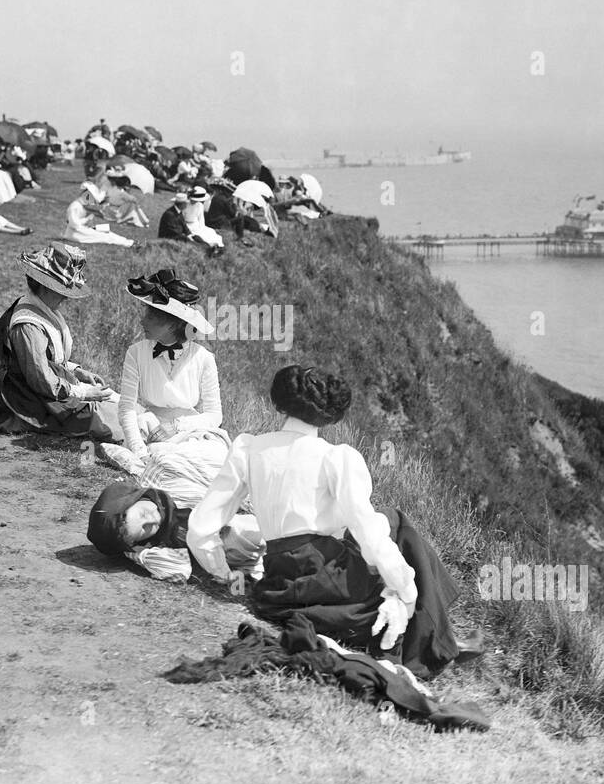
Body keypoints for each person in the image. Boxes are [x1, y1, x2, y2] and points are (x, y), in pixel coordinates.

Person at [185, 364, 477, 678]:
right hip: (324, 574)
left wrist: (222, 571)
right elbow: (369, 533)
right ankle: (434, 641)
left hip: (279, 583)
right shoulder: (335, 457)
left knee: (385, 535)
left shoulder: (249, 448)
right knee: (396, 526)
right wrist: (405, 590)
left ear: (281, 403)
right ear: (330, 415)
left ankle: (438, 633)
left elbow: (201, 527)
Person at [95, 270, 232, 510]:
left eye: (150, 315)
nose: (142, 320)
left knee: (215, 457)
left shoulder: (203, 358)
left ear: (172, 323)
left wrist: (178, 427)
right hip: (150, 428)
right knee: (158, 456)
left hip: (192, 431)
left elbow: (214, 415)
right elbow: (127, 407)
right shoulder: (136, 352)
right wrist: (138, 450)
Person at [0, 242, 122, 440]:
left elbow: (48, 359)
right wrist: (81, 392)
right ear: (45, 286)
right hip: (30, 400)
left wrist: (77, 371)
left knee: (121, 406)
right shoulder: (28, 325)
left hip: (48, 392)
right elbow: (39, 378)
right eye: (62, 289)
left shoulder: (44, 310)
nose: (66, 296)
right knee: (112, 427)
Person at [86, 481, 263, 584]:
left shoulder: (170, 487)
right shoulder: (165, 541)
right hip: (244, 539)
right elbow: (180, 569)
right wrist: (136, 554)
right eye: (145, 530)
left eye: (143, 514)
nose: (152, 520)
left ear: (134, 499)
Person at [65, 183, 134, 247]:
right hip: (75, 234)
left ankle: (129, 242)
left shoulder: (80, 206)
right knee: (105, 236)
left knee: (106, 230)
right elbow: (74, 224)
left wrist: (89, 222)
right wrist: (87, 219)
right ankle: (129, 244)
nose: (92, 203)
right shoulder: (75, 206)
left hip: (80, 230)